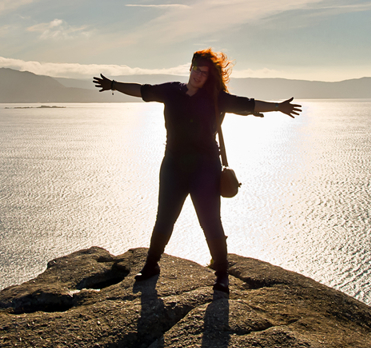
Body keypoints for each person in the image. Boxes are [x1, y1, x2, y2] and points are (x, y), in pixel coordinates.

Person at [93, 49, 301, 293]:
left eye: (204, 72)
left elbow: (247, 103)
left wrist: (278, 106)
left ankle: (222, 274)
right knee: (164, 218)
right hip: (173, 166)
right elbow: (142, 90)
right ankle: (151, 265)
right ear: (190, 68)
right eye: (196, 69)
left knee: (210, 222)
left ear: (210, 76)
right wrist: (113, 85)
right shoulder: (172, 90)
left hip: (205, 168)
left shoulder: (215, 97)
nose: (199, 75)